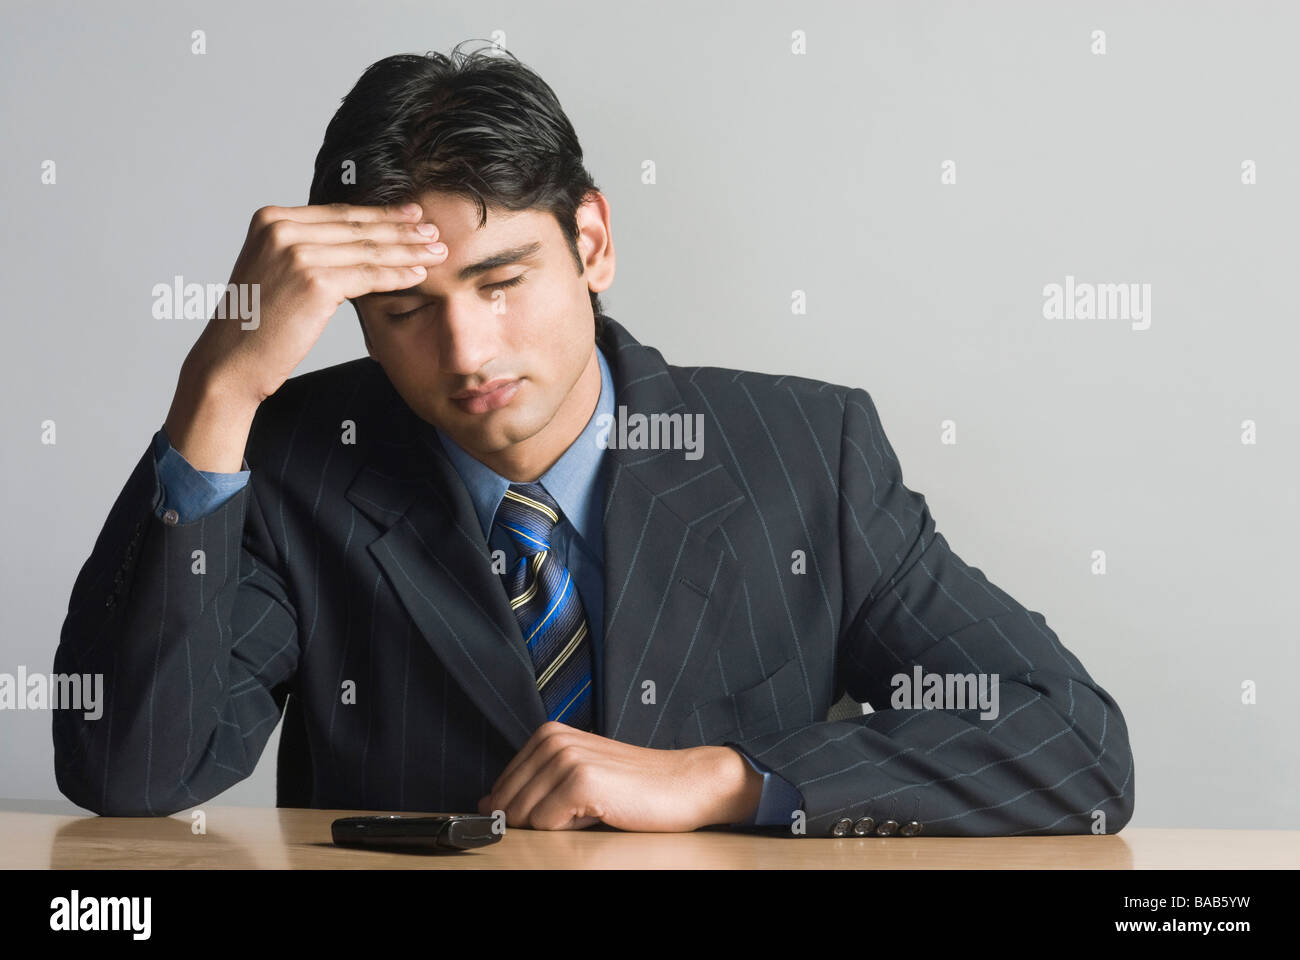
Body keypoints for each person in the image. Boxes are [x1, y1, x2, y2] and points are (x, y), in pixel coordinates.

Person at [53, 43, 1134, 837]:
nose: (468, 351)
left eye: (503, 281)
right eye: (403, 311)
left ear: (593, 242)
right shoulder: (292, 457)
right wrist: (219, 386)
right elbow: (131, 771)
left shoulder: (808, 451)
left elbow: (1070, 743)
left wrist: (728, 779)